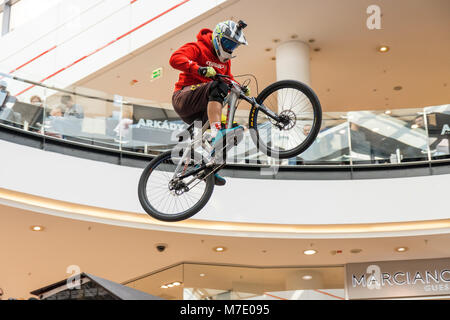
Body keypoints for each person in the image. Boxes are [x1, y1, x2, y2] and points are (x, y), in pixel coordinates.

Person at [169, 20, 249, 186]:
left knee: (234, 132)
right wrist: (198, 68)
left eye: (233, 46)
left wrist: (240, 89)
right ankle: (215, 133)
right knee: (217, 86)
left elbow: (229, 79)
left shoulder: (225, 62)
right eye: (227, 43)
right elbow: (175, 59)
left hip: (203, 111)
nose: (229, 48)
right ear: (218, 38)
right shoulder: (197, 47)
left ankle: (207, 168)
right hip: (184, 98)